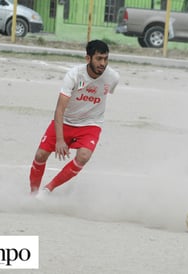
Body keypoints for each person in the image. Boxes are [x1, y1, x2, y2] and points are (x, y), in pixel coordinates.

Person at [29, 39, 120, 197]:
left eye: (105, 59)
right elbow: (59, 109)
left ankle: (47, 190)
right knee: (40, 155)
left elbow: (107, 91)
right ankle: (33, 194)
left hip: (90, 124)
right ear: (88, 59)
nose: (103, 63)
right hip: (66, 121)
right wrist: (59, 140)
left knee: (84, 156)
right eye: (98, 58)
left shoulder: (112, 78)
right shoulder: (74, 75)